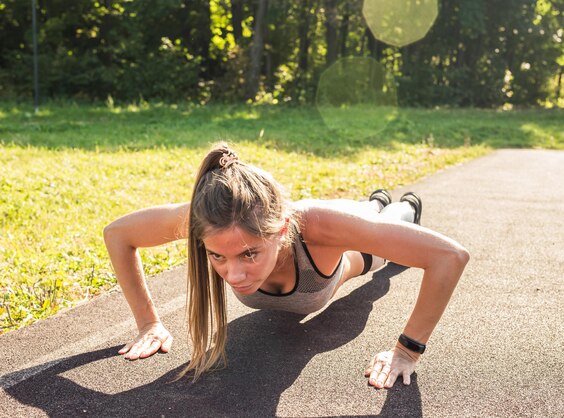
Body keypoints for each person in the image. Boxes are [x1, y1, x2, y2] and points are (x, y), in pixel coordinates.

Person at [103, 142, 469, 389]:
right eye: (218, 256)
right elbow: (118, 234)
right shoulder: (206, 220)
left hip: (334, 249)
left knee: (378, 254)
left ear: (280, 232)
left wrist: (407, 350)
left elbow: (449, 257)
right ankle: (372, 205)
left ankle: (396, 206)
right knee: (362, 223)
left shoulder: (319, 228)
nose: (233, 274)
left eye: (249, 254)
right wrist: (148, 322)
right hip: (315, 230)